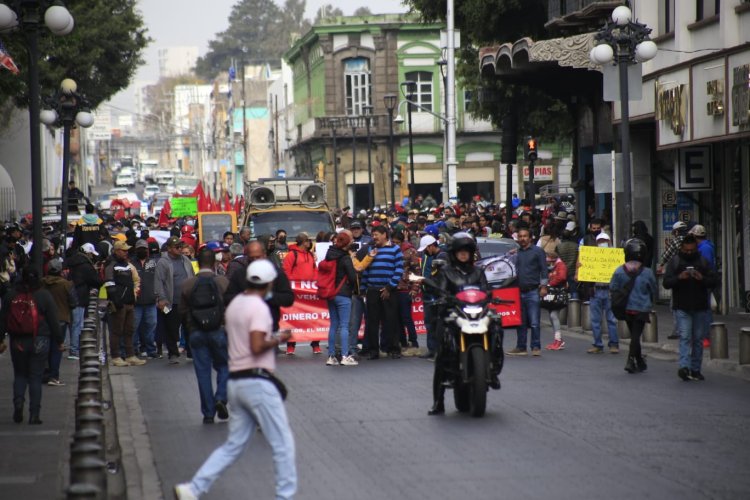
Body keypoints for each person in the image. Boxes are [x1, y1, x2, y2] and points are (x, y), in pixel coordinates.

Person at [174, 259, 296, 500]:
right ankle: (285, 495)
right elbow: (257, 344)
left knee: (234, 445)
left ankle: (194, 488)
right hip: (257, 381)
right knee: (283, 443)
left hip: (236, 381)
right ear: (269, 282)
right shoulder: (259, 307)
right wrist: (278, 338)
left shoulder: (236, 304)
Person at [428, 235, 499, 415]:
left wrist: (491, 296)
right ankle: (438, 402)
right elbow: (440, 289)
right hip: (453, 312)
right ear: (453, 253)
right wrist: (443, 298)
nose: (463, 255)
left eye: (466, 251)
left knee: (496, 323)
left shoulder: (478, 272)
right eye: (460, 251)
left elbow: (485, 289)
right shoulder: (446, 272)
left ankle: (494, 364)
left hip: (476, 312)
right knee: (441, 354)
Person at [0, 267, 63, 424]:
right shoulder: (44, 295)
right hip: (40, 339)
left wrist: (1, 339)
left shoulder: (11, 295)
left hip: (18, 340)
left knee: (20, 374)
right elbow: (54, 320)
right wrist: (59, 340)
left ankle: (18, 403)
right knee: (35, 376)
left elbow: (2, 318)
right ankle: (34, 413)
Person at [179, 248, 230, 424]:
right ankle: (221, 397)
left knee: (203, 372)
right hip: (219, 330)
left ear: (198, 263)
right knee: (224, 366)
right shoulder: (222, 282)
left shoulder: (188, 284)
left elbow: (182, 311)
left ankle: (208, 413)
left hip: (196, 332)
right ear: (214, 263)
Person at [663, 234, 718, 381]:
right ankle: (684, 367)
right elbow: (666, 283)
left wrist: (702, 278)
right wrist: (679, 278)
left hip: (700, 306)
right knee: (685, 337)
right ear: (682, 248)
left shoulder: (702, 261)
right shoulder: (675, 262)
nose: (689, 253)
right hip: (682, 306)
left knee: (698, 339)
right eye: (686, 250)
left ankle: (695, 369)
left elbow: (714, 281)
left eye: (691, 250)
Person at [224, 241, 295, 335]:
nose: (255, 260)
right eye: (251, 258)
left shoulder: (276, 273)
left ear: (264, 255)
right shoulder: (240, 274)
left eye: (258, 257)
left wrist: (267, 295)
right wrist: (244, 296)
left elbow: (288, 298)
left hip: (269, 326)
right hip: (244, 328)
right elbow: (227, 298)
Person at [610, 239, 657, 374]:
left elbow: (613, 288)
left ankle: (639, 361)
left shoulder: (619, 271)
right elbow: (653, 289)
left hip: (626, 308)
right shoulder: (647, 272)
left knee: (634, 334)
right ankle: (631, 360)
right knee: (636, 336)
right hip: (642, 308)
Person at [360, 225, 404, 359]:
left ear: (385, 235)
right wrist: (363, 287)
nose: (374, 237)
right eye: (373, 235)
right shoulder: (371, 250)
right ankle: (374, 350)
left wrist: (389, 287)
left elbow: (399, 270)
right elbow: (366, 269)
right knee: (372, 321)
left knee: (391, 320)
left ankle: (392, 348)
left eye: (376, 234)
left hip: (389, 290)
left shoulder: (395, 249)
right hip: (372, 290)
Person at [506, 225, 548, 357]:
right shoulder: (516, 253)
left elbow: (544, 270)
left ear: (530, 238)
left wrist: (544, 286)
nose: (522, 239)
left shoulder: (538, 251)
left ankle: (536, 347)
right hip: (518, 291)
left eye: (525, 236)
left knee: (534, 322)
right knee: (520, 322)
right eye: (520, 237)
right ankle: (521, 347)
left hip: (533, 291)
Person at [104, 241, 146, 367]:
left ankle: (130, 355)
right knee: (116, 331)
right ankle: (116, 356)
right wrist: (116, 301)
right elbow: (109, 283)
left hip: (129, 302)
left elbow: (133, 281)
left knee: (129, 330)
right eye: (124, 250)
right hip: (118, 304)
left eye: (127, 250)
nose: (126, 252)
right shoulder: (111, 264)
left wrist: (132, 298)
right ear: (117, 251)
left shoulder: (126, 264)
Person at [155, 236, 195, 364]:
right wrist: (161, 298)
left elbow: (192, 277)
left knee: (190, 327)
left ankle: (191, 352)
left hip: (187, 301)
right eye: (177, 247)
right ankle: (173, 353)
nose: (179, 249)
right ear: (169, 248)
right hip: (172, 302)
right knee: (171, 329)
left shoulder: (186, 260)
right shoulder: (163, 262)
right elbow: (159, 282)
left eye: (180, 246)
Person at [322, 231, 359, 366]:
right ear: (347, 243)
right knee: (344, 326)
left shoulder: (329, 254)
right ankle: (345, 355)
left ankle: (331, 356)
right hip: (343, 294)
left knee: (333, 325)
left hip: (330, 293)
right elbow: (352, 277)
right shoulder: (345, 258)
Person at [281, 232, 320, 355]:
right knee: (293, 319)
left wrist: (315, 284)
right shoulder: (292, 255)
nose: (310, 242)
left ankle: (315, 344)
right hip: (296, 293)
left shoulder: (310, 254)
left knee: (314, 319)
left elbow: (315, 271)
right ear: (304, 242)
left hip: (309, 292)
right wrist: (295, 286)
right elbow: (286, 271)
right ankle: (291, 345)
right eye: (308, 240)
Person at [41, 258, 77, 386]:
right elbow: (73, 302)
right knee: (57, 349)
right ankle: (53, 376)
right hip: (61, 318)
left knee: (44, 347)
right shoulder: (66, 284)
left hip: (43, 319)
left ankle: (44, 373)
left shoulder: (42, 283)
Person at [65, 243, 102, 360]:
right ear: (88, 253)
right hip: (79, 296)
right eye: (91, 254)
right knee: (77, 324)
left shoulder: (70, 261)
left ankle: (71, 346)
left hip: (67, 295)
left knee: (70, 323)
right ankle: (74, 350)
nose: (92, 256)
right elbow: (94, 280)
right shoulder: (86, 265)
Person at [585, 233, 620, 354]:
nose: (602, 243)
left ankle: (614, 344)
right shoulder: (592, 256)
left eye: (604, 241)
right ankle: (597, 344)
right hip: (596, 290)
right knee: (595, 320)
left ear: (609, 241)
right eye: (600, 241)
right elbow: (586, 273)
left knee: (611, 319)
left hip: (610, 292)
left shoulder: (615, 257)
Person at [417, 234, 446, 360]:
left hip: (437, 295)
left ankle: (439, 351)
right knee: (430, 323)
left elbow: (439, 279)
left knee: (437, 324)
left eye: (425, 249)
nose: (425, 252)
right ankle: (432, 349)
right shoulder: (433, 257)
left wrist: (424, 281)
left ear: (431, 246)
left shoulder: (442, 257)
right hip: (429, 293)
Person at [392, 230, 420, 354]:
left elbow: (417, 272)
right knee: (396, 319)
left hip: (406, 289)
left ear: (402, 241)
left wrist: (414, 289)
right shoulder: (391, 251)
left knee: (406, 317)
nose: (395, 244)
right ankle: (402, 342)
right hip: (393, 288)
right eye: (393, 242)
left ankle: (414, 342)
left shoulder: (411, 251)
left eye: (397, 242)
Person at [659, 221, 689, 339]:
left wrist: (662, 265)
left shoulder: (676, 241)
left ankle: (678, 330)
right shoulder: (691, 241)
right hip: (692, 277)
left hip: (679, 277)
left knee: (675, 305)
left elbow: (665, 256)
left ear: (676, 231)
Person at [131, 239, 159, 358]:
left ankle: (151, 350)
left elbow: (158, 280)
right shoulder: (131, 264)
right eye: (140, 249)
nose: (143, 251)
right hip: (136, 302)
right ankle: (133, 349)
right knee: (134, 327)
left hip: (151, 301)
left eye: (144, 249)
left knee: (151, 325)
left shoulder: (153, 263)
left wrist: (158, 296)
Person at [543, 251, 568, 351]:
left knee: (553, 315)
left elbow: (562, 277)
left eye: (548, 258)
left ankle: (558, 340)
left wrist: (550, 284)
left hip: (558, 295)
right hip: (554, 295)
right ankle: (558, 339)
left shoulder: (560, 265)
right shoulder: (555, 266)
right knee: (551, 316)